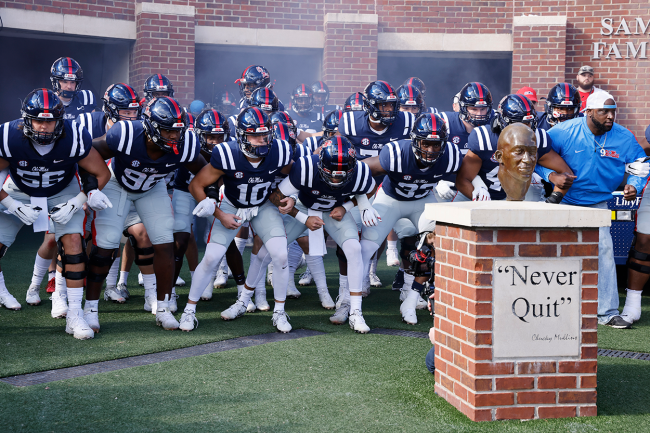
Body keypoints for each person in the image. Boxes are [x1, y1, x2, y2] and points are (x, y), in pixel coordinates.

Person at [0, 89, 111, 339]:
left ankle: (75, 315)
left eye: (50, 121)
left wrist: (77, 202)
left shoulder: (73, 136)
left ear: (59, 121)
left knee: (74, 244)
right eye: (38, 120)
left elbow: (102, 173)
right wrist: (12, 205)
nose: (43, 127)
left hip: (62, 190)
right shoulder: (9, 135)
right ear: (26, 119)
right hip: (19, 190)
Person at [88, 96, 206, 331]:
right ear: (150, 126)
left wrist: (210, 195)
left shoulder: (185, 144)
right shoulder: (126, 133)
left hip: (152, 188)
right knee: (105, 246)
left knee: (165, 243)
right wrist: (91, 187)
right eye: (167, 130)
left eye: (177, 130)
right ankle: (89, 310)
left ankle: (162, 309)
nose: (174, 136)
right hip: (117, 184)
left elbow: (204, 169)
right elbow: (89, 152)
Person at [179, 107, 294, 333]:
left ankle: (279, 312)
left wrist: (291, 196)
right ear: (241, 136)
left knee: (280, 255)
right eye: (255, 135)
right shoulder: (227, 153)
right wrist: (219, 214)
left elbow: (295, 175)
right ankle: (189, 311)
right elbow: (196, 185)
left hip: (263, 206)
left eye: (265, 134)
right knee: (211, 258)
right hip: (232, 205)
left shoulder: (279, 150)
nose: (262, 140)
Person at [546, 91, 649, 329]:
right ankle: (549, 308)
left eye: (613, 111)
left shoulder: (623, 136)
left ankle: (607, 313)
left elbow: (641, 163)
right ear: (589, 112)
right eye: (604, 111)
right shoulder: (562, 132)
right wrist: (551, 175)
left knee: (605, 254)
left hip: (598, 203)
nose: (610, 116)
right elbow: (537, 158)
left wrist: (634, 184)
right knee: (553, 253)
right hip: (563, 201)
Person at [265, 136, 378, 332]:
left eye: (343, 173)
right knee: (273, 250)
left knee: (354, 249)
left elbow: (370, 189)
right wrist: (303, 218)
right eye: (331, 173)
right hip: (303, 208)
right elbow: (276, 196)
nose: (336, 179)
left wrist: (346, 206)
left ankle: (356, 312)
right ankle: (261, 303)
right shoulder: (306, 166)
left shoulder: (360, 171)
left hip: (333, 211)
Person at [360, 113, 463, 324]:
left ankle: (411, 297)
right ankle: (349, 300)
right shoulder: (397, 153)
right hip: (391, 200)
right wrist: (363, 203)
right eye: (426, 144)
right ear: (415, 141)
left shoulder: (451, 155)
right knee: (366, 248)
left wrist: (455, 182)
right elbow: (360, 171)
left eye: (436, 145)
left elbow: (469, 175)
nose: (431, 150)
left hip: (422, 200)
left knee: (435, 244)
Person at [455, 94, 574, 202]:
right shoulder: (484, 139)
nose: (523, 128)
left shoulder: (536, 138)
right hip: (481, 193)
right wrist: (481, 200)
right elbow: (463, 180)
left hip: (515, 196)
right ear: (502, 122)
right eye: (518, 123)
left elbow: (566, 174)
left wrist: (553, 199)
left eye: (527, 123)